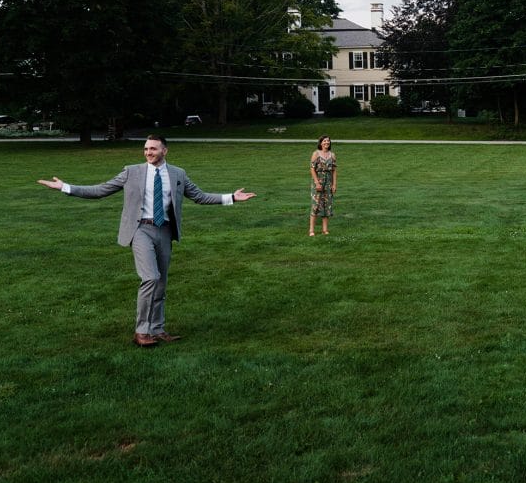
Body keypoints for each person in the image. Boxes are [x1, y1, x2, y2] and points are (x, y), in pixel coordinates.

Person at [36, 135, 256, 348]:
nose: (148, 152)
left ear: (164, 150)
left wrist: (232, 198)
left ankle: (158, 329)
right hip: (140, 229)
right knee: (150, 277)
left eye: (153, 148)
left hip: (165, 231)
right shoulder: (132, 172)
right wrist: (65, 187)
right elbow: (101, 190)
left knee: (161, 283)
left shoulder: (178, 174)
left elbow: (199, 196)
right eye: (146, 149)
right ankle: (141, 331)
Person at [309, 135, 337, 236]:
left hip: (328, 183)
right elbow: (312, 168)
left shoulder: (332, 155)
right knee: (316, 206)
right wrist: (317, 182)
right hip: (318, 182)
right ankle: (311, 230)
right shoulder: (316, 154)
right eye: (324, 141)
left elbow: (334, 171)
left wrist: (334, 184)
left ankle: (325, 230)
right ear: (321, 143)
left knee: (327, 205)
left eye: (328, 141)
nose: (327, 143)